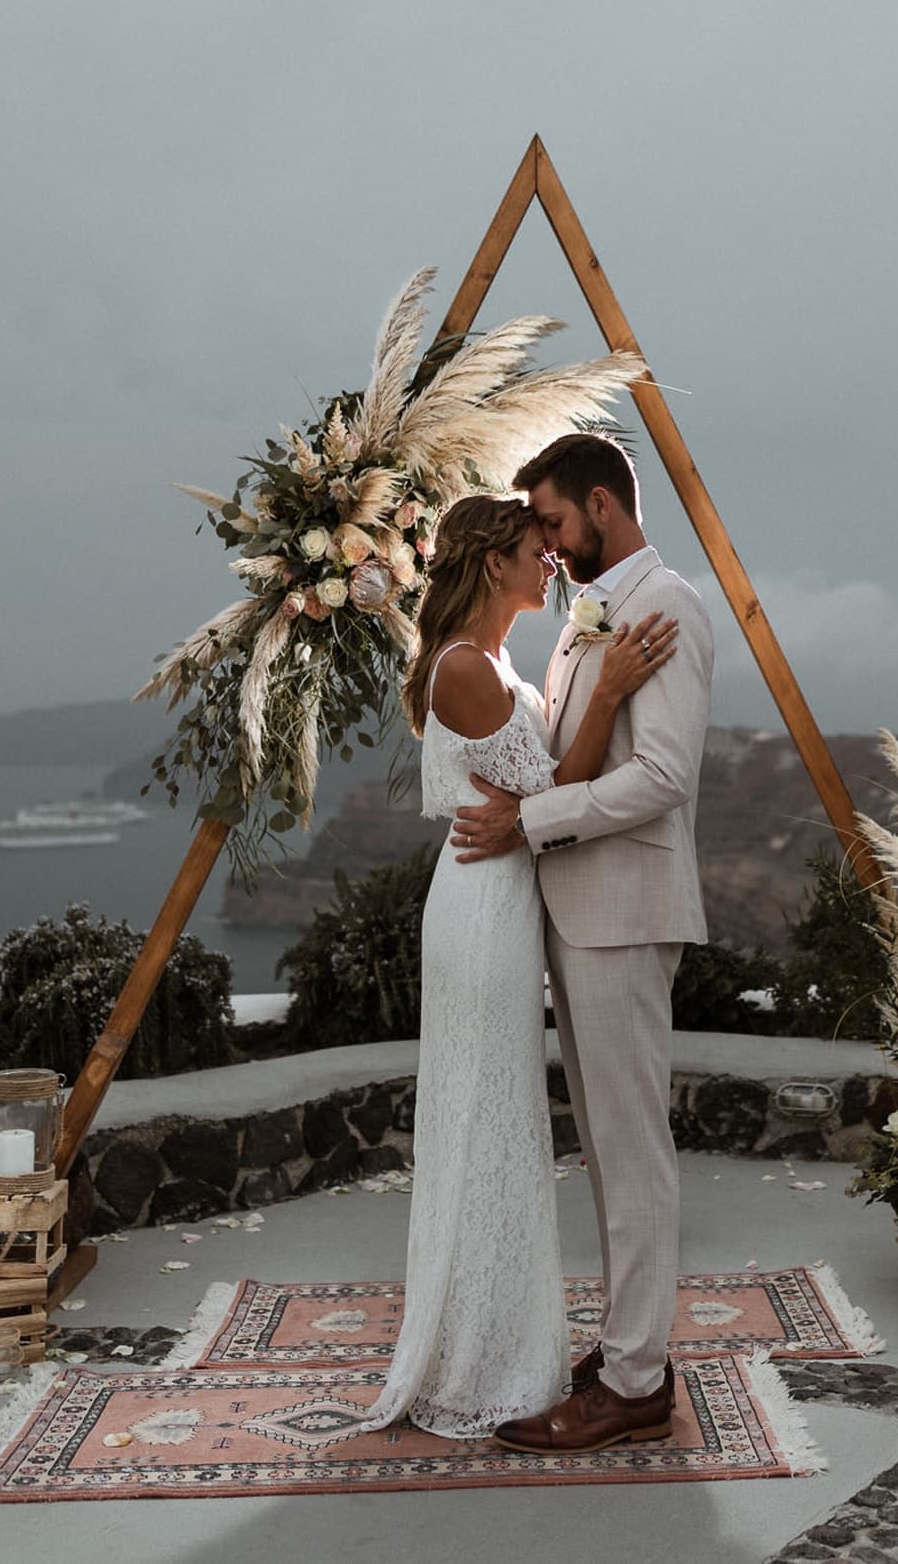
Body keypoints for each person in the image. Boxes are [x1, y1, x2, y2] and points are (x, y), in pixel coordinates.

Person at [360, 491, 677, 1439]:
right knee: (487, 1124)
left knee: (498, 1124)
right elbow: (557, 790)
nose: (551, 562)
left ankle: (499, 1343)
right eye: (535, 549)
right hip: (480, 912)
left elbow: (533, 803)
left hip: (504, 903)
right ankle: (480, 1363)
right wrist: (612, 688)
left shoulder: (493, 660)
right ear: (492, 563)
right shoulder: (463, 667)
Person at [451, 433, 715, 1455]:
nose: (549, 549)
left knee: (631, 1149)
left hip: (624, 910)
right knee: (605, 1147)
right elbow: (569, 751)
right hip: (578, 908)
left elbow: (662, 777)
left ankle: (638, 1380)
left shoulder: (668, 607)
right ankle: (624, 1351)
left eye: (555, 522)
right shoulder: (587, 613)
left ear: (603, 505)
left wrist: (529, 824)